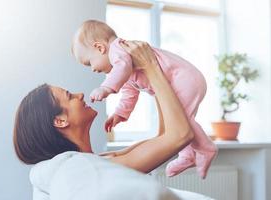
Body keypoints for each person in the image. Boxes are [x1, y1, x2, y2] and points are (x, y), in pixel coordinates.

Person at [71, 20, 217, 178]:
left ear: (100, 47)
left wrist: (105, 88)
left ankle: (204, 149)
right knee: (180, 119)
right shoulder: (123, 67)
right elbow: (129, 92)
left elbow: (122, 68)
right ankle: (188, 155)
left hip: (185, 79)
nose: (92, 69)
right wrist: (120, 113)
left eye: (89, 63)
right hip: (181, 81)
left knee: (181, 119)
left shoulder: (118, 48)